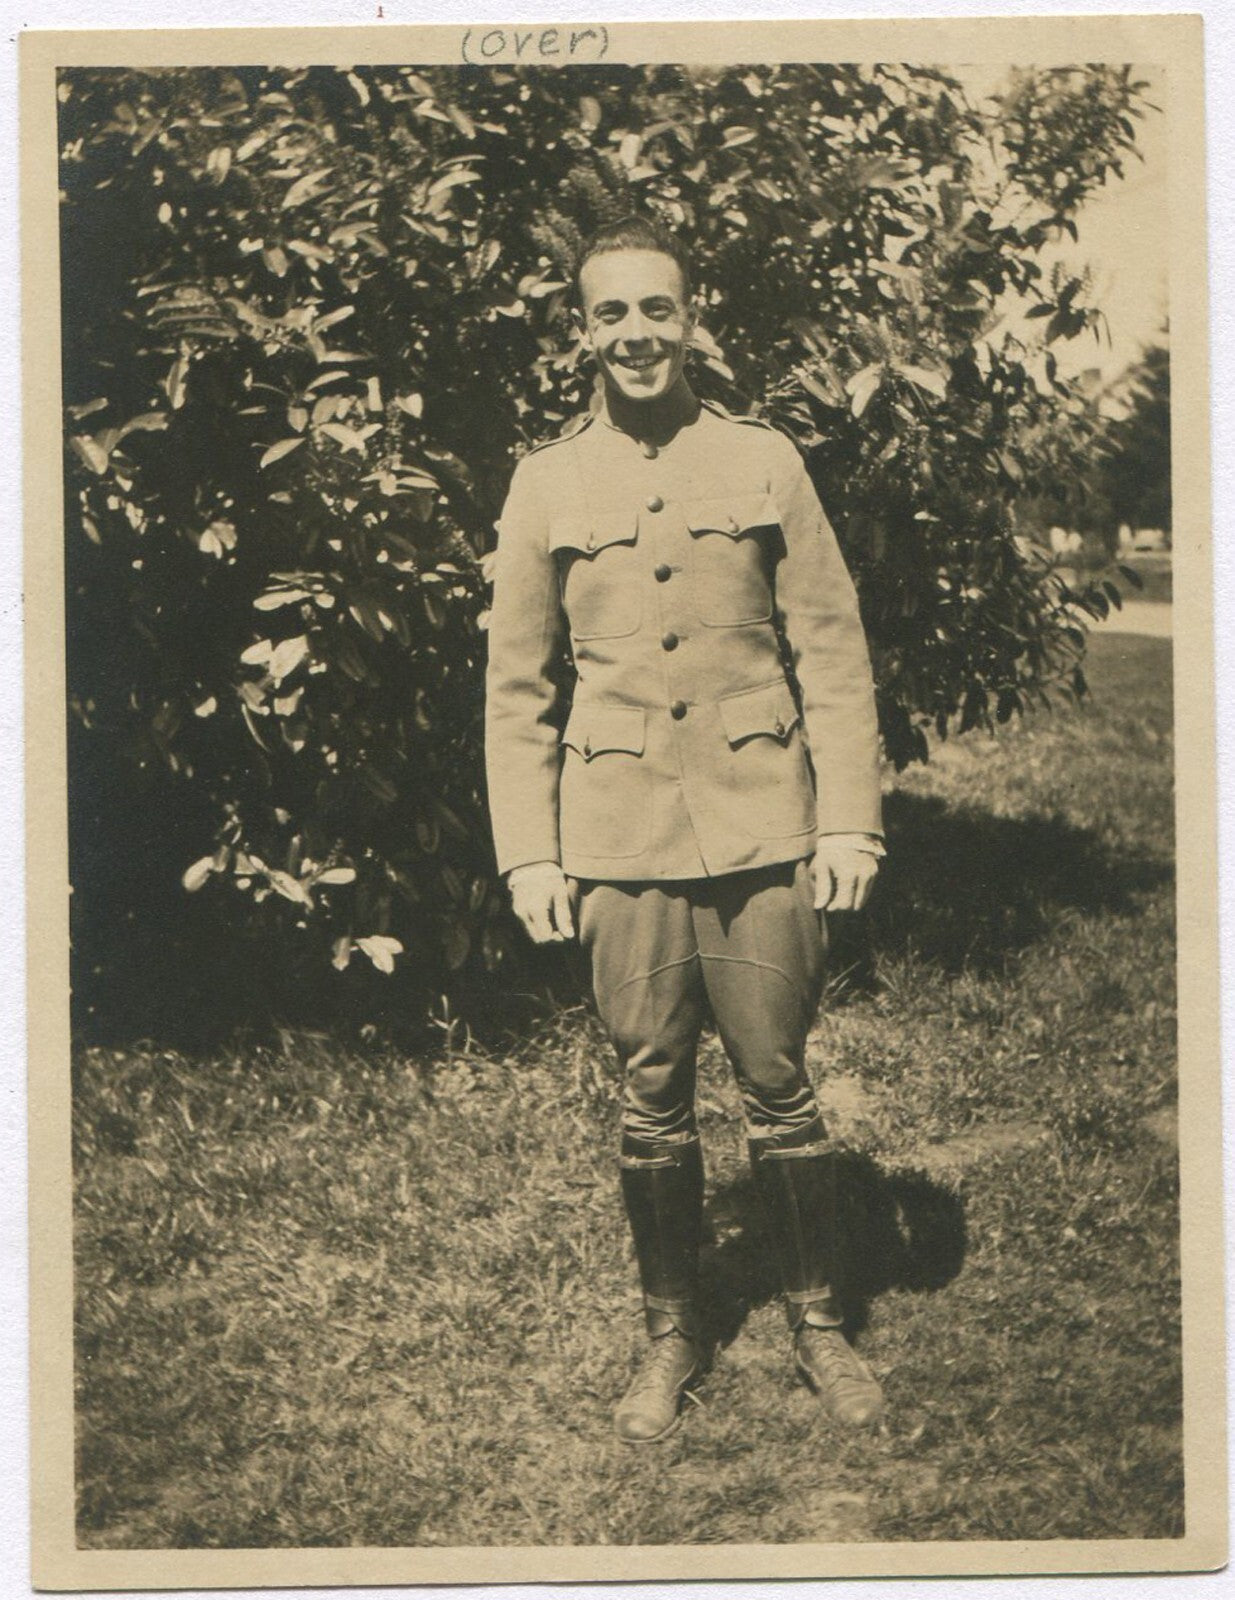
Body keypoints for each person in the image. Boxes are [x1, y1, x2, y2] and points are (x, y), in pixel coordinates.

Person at [484, 214, 885, 1444]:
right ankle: (671, 1331)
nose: (635, 333)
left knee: (778, 1079)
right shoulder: (545, 480)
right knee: (649, 1088)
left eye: (656, 307)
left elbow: (832, 649)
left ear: (689, 318)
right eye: (610, 312)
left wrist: (848, 824)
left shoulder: (762, 460)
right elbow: (515, 685)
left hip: (762, 823)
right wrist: (529, 850)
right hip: (616, 837)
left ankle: (818, 1322)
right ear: (581, 332)